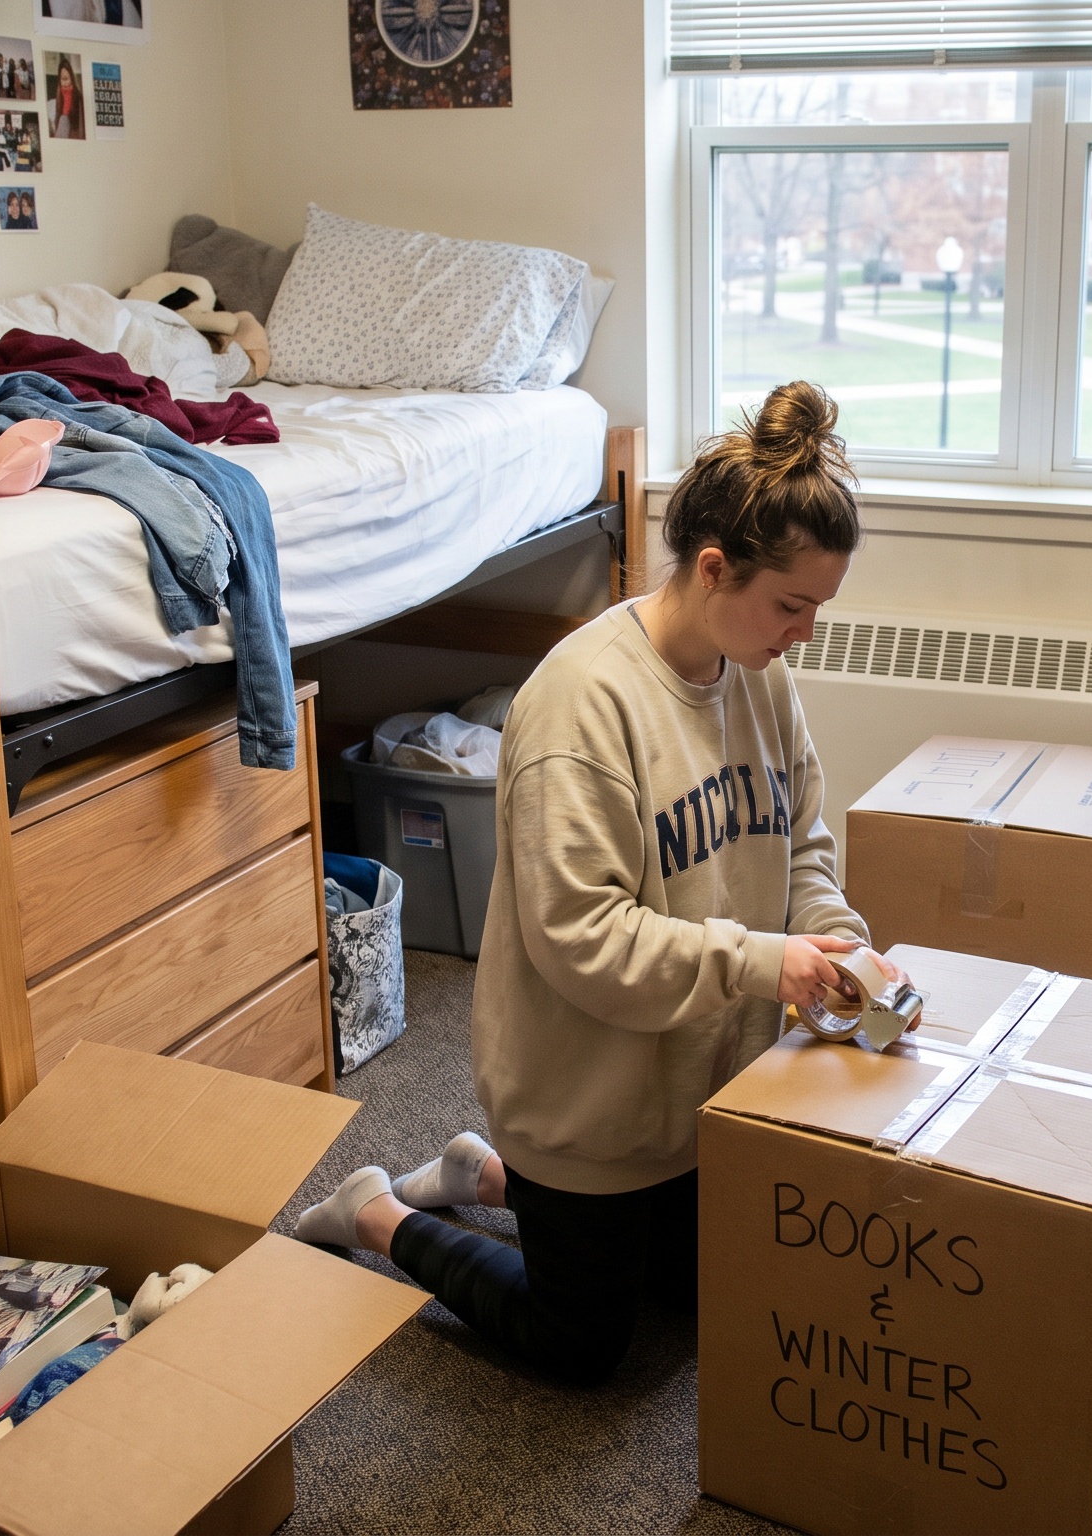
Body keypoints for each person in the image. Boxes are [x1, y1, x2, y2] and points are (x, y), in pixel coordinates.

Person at [292, 382, 887, 1386]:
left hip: (700, 1090)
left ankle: (477, 1175)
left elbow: (806, 844)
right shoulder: (580, 705)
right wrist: (758, 961)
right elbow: (584, 941)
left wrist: (830, 937)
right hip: (587, 1099)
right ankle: (378, 1213)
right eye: (793, 605)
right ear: (712, 569)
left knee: (706, 1294)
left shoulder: (763, 676)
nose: (806, 633)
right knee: (585, 1349)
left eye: (818, 609)